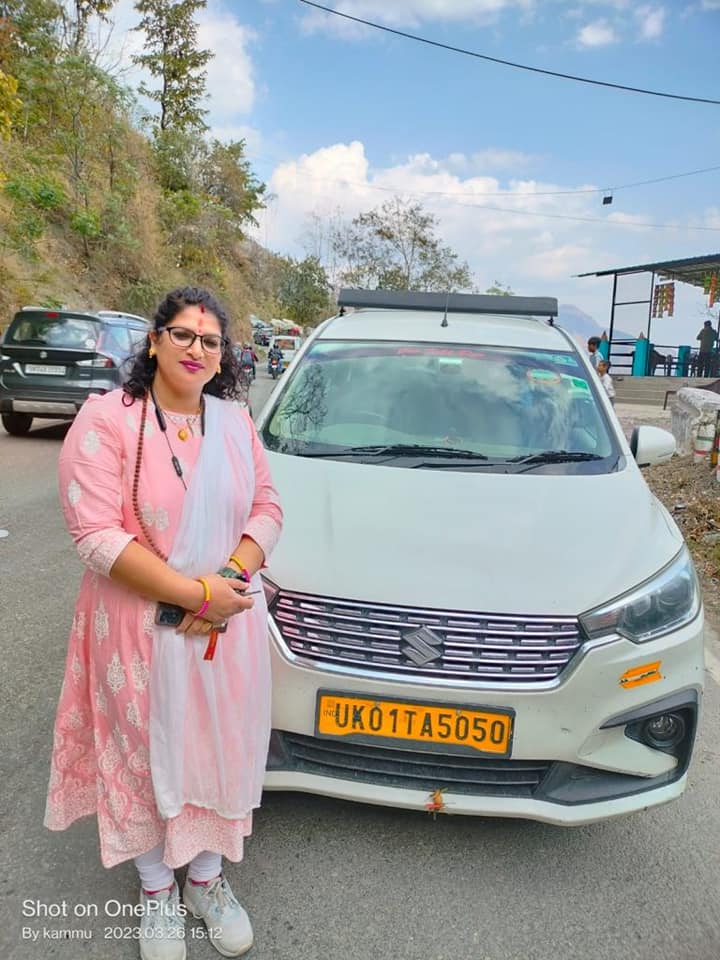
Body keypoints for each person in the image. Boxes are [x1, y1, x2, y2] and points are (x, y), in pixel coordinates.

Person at [45, 287, 283, 960]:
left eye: (210, 341)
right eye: (182, 334)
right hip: (139, 628)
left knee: (216, 746)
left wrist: (227, 581)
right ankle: (156, 891)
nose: (196, 349)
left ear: (222, 357)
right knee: (141, 751)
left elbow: (267, 505)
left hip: (223, 626)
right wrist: (193, 592)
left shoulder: (235, 423)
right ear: (154, 341)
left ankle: (206, 880)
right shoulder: (110, 420)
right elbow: (94, 533)